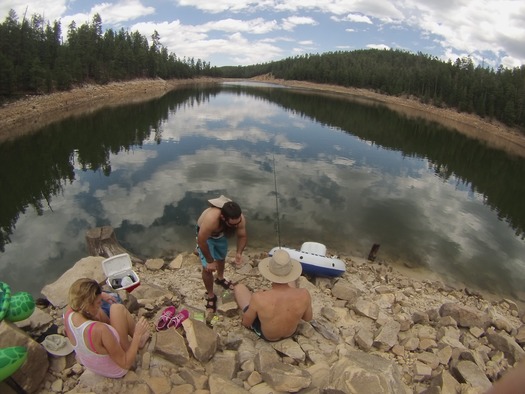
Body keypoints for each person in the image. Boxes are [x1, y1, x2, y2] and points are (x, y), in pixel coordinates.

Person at [63, 278, 150, 378]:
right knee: (117, 308)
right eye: (98, 302)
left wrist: (101, 295)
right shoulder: (100, 329)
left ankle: (121, 341)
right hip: (117, 368)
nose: (100, 304)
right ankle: (137, 344)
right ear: (88, 303)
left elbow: (79, 297)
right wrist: (137, 336)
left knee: (101, 311)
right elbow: (125, 363)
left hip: (94, 365)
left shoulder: (68, 312)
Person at [233, 249, 313, 341]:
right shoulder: (305, 294)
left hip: (268, 336)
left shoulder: (258, 298)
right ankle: (288, 289)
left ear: (269, 272)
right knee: (290, 285)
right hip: (290, 332)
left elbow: (246, 323)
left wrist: (259, 300)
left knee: (239, 288)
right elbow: (308, 318)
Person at [196, 195, 247, 313]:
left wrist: (239, 252)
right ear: (223, 218)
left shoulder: (239, 219)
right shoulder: (211, 219)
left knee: (221, 258)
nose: (235, 226)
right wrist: (209, 261)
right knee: (207, 269)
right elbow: (201, 240)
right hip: (206, 237)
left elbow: (242, 235)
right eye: (232, 225)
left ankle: (220, 278)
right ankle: (210, 295)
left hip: (220, 235)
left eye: (237, 224)